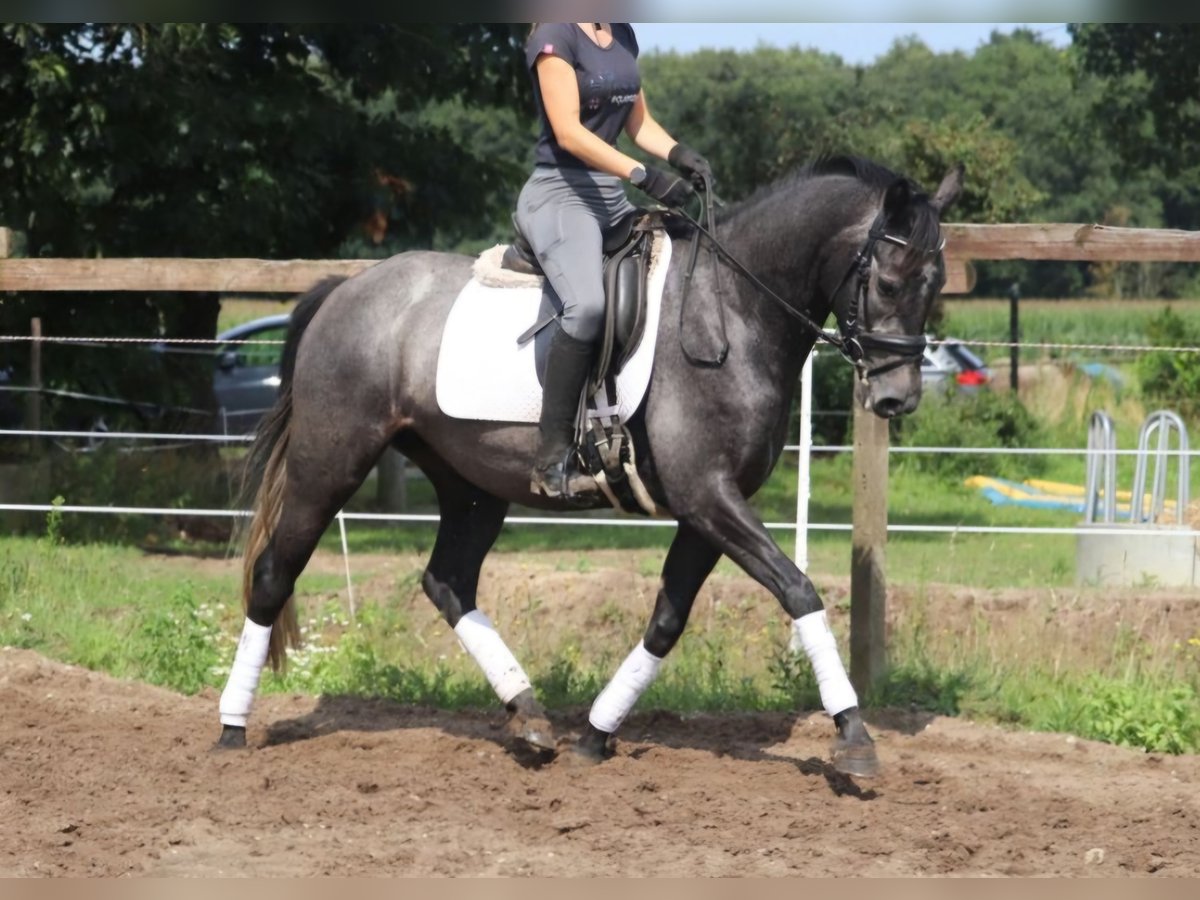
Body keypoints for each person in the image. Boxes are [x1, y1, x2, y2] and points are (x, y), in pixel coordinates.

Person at [516, 22, 713, 502]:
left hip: (609, 196)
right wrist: (645, 175)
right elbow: (568, 132)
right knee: (586, 307)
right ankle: (551, 455)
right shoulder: (554, 36)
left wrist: (679, 154)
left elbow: (637, 122)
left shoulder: (622, 33)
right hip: (559, 193)